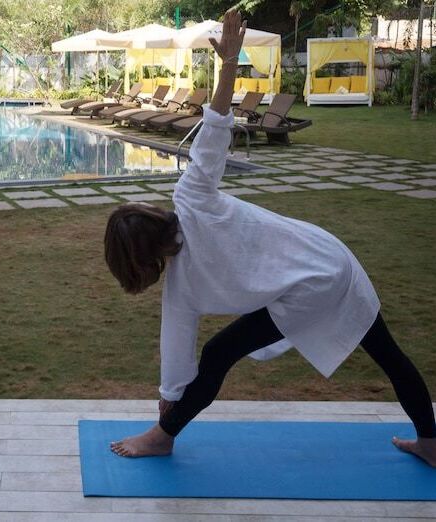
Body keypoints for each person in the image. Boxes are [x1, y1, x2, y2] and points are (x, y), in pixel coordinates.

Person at [104, 11, 435, 467]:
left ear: (140, 261)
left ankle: (163, 438)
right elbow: (215, 127)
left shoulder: (187, 245)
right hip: (328, 254)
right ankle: (431, 442)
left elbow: (215, 126)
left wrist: (171, 400)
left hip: (311, 281)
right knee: (386, 352)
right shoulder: (191, 197)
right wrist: (227, 63)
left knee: (220, 352)